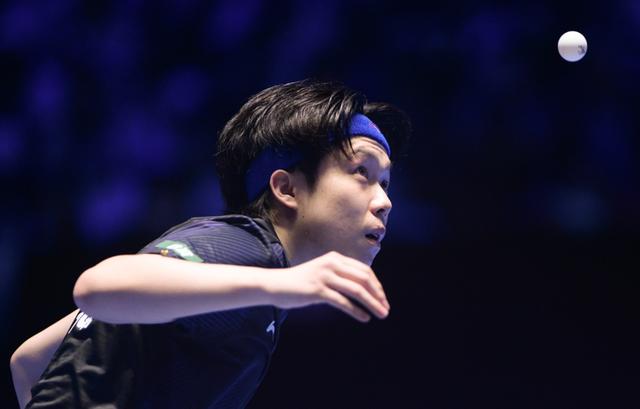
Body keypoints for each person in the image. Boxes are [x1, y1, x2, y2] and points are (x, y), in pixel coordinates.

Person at [9, 79, 411, 408]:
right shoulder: (245, 248)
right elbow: (97, 287)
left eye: (385, 182)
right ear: (287, 188)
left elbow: (29, 361)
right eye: (362, 172)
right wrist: (284, 284)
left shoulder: (241, 285)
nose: (384, 201)